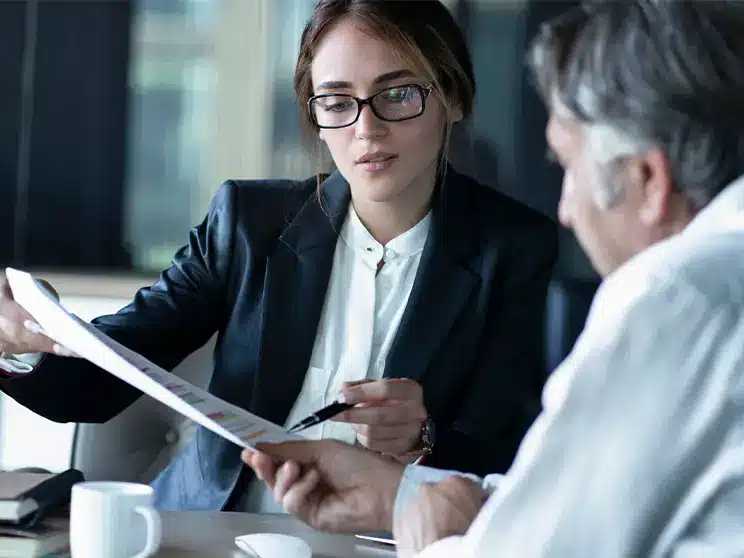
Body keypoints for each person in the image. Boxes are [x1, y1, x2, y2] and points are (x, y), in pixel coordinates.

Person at [0, 0, 557, 513]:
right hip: (209, 535)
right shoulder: (247, 222)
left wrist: (426, 438)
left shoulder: (517, 252)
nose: (367, 128)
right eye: (338, 102)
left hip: (389, 544)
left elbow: (524, 459)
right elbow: (102, 380)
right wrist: (19, 342)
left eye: (397, 94)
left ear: (453, 98)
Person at [241, 0, 744, 556]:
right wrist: (399, 494)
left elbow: (545, 548)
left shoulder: (672, 297)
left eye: (568, 168)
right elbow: (580, 503)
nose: (567, 208)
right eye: (336, 101)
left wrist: (429, 536)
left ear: (649, 180)